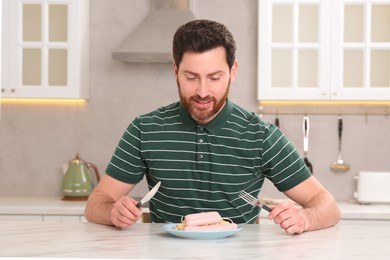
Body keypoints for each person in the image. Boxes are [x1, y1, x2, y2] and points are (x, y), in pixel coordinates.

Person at [84, 19, 340, 235]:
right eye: (191, 77)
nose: (203, 92)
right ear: (175, 71)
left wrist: (303, 219)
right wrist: (112, 212)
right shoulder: (145, 129)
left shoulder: (261, 135)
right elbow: (96, 203)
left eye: (215, 77)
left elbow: (327, 205)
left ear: (233, 71)